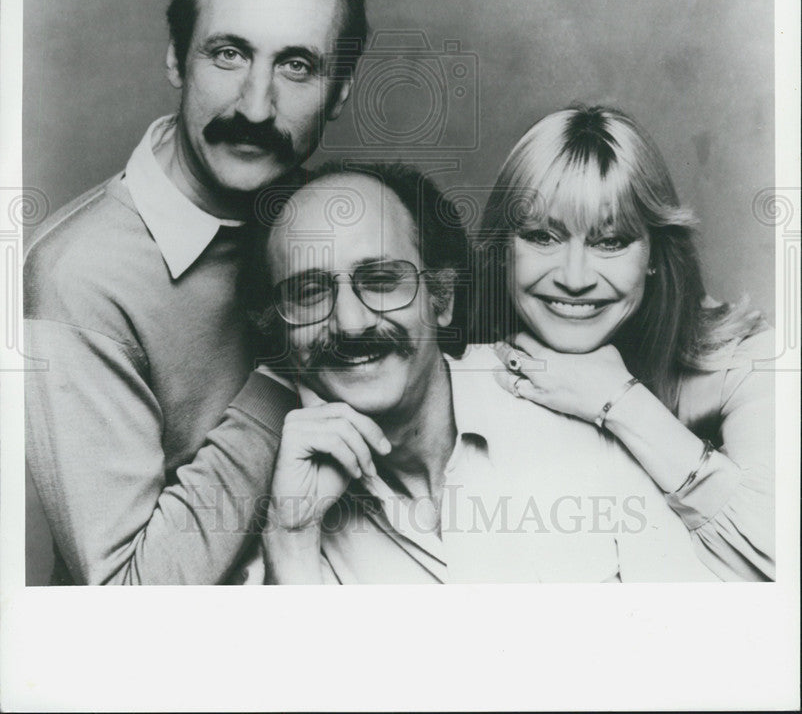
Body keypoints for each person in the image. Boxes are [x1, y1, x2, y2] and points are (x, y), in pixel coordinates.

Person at [24, 0, 368, 584]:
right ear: (177, 58)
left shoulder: (336, 228)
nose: (256, 106)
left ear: (339, 93)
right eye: (228, 53)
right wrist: (286, 372)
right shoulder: (76, 281)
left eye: (297, 66)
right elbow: (127, 600)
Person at [242, 162, 719, 584]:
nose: (350, 322)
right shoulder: (282, 504)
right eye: (308, 293)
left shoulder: (574, 404)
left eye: (383, 281)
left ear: (443, 299)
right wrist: (291, 538)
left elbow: (695, 650)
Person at [475, 104, 775, 582]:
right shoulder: (466, 366)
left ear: (655, 253)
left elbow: (780, 562)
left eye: (609, 242)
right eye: (541, 237)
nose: (574, 279)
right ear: (503, 249)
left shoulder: (751, 361)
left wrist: (621, 402)